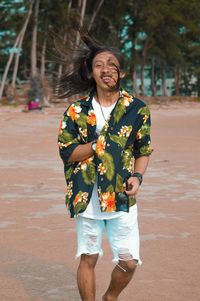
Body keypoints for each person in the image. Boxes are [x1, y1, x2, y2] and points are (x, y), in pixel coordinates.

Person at [57, 29, 153, 301]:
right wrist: (97, 145)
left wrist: (138, 176)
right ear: (91, 73)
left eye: (112, 65)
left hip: (121, 194)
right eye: (99, 65)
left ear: (121, 73)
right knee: (88, 257)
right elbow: (67, 152)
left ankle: (110, 297)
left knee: (129, 260)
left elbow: (143, 150)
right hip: (86, 194)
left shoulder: (137, 109)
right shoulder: (76, 111)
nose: (106, 69)